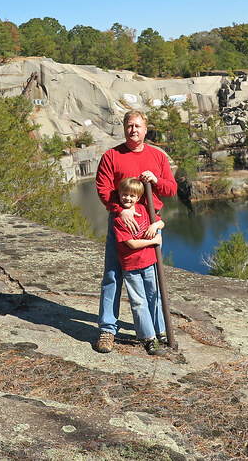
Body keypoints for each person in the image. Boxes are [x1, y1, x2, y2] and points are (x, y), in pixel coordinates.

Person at [94, 109, 176, 353]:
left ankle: (156, 331)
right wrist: (120, 209)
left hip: (149, 224)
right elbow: (103, 187)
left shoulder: (157, 156)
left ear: (146, 129)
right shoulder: (112, 156)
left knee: (152, 282)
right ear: (124, 128)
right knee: (112, 275)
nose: (133, 130)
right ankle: (107, 329)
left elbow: (171, 189)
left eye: (138, 126)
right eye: (130, 126)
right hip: (121, 223)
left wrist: (156, 181)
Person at [112, 177, 166, 355]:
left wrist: (155, 225)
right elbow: (131, 244)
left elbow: (161, 222)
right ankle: (149, 338)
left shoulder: (144, 209)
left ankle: (161, 331)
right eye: (124, 195)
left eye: (132, 196)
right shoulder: (119, 219)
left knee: (154, 297)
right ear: (119, 195)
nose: (127, 198)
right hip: (131, 267)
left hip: (149, 263)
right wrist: (153, 241)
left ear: (138, 197)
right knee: (139, 302)